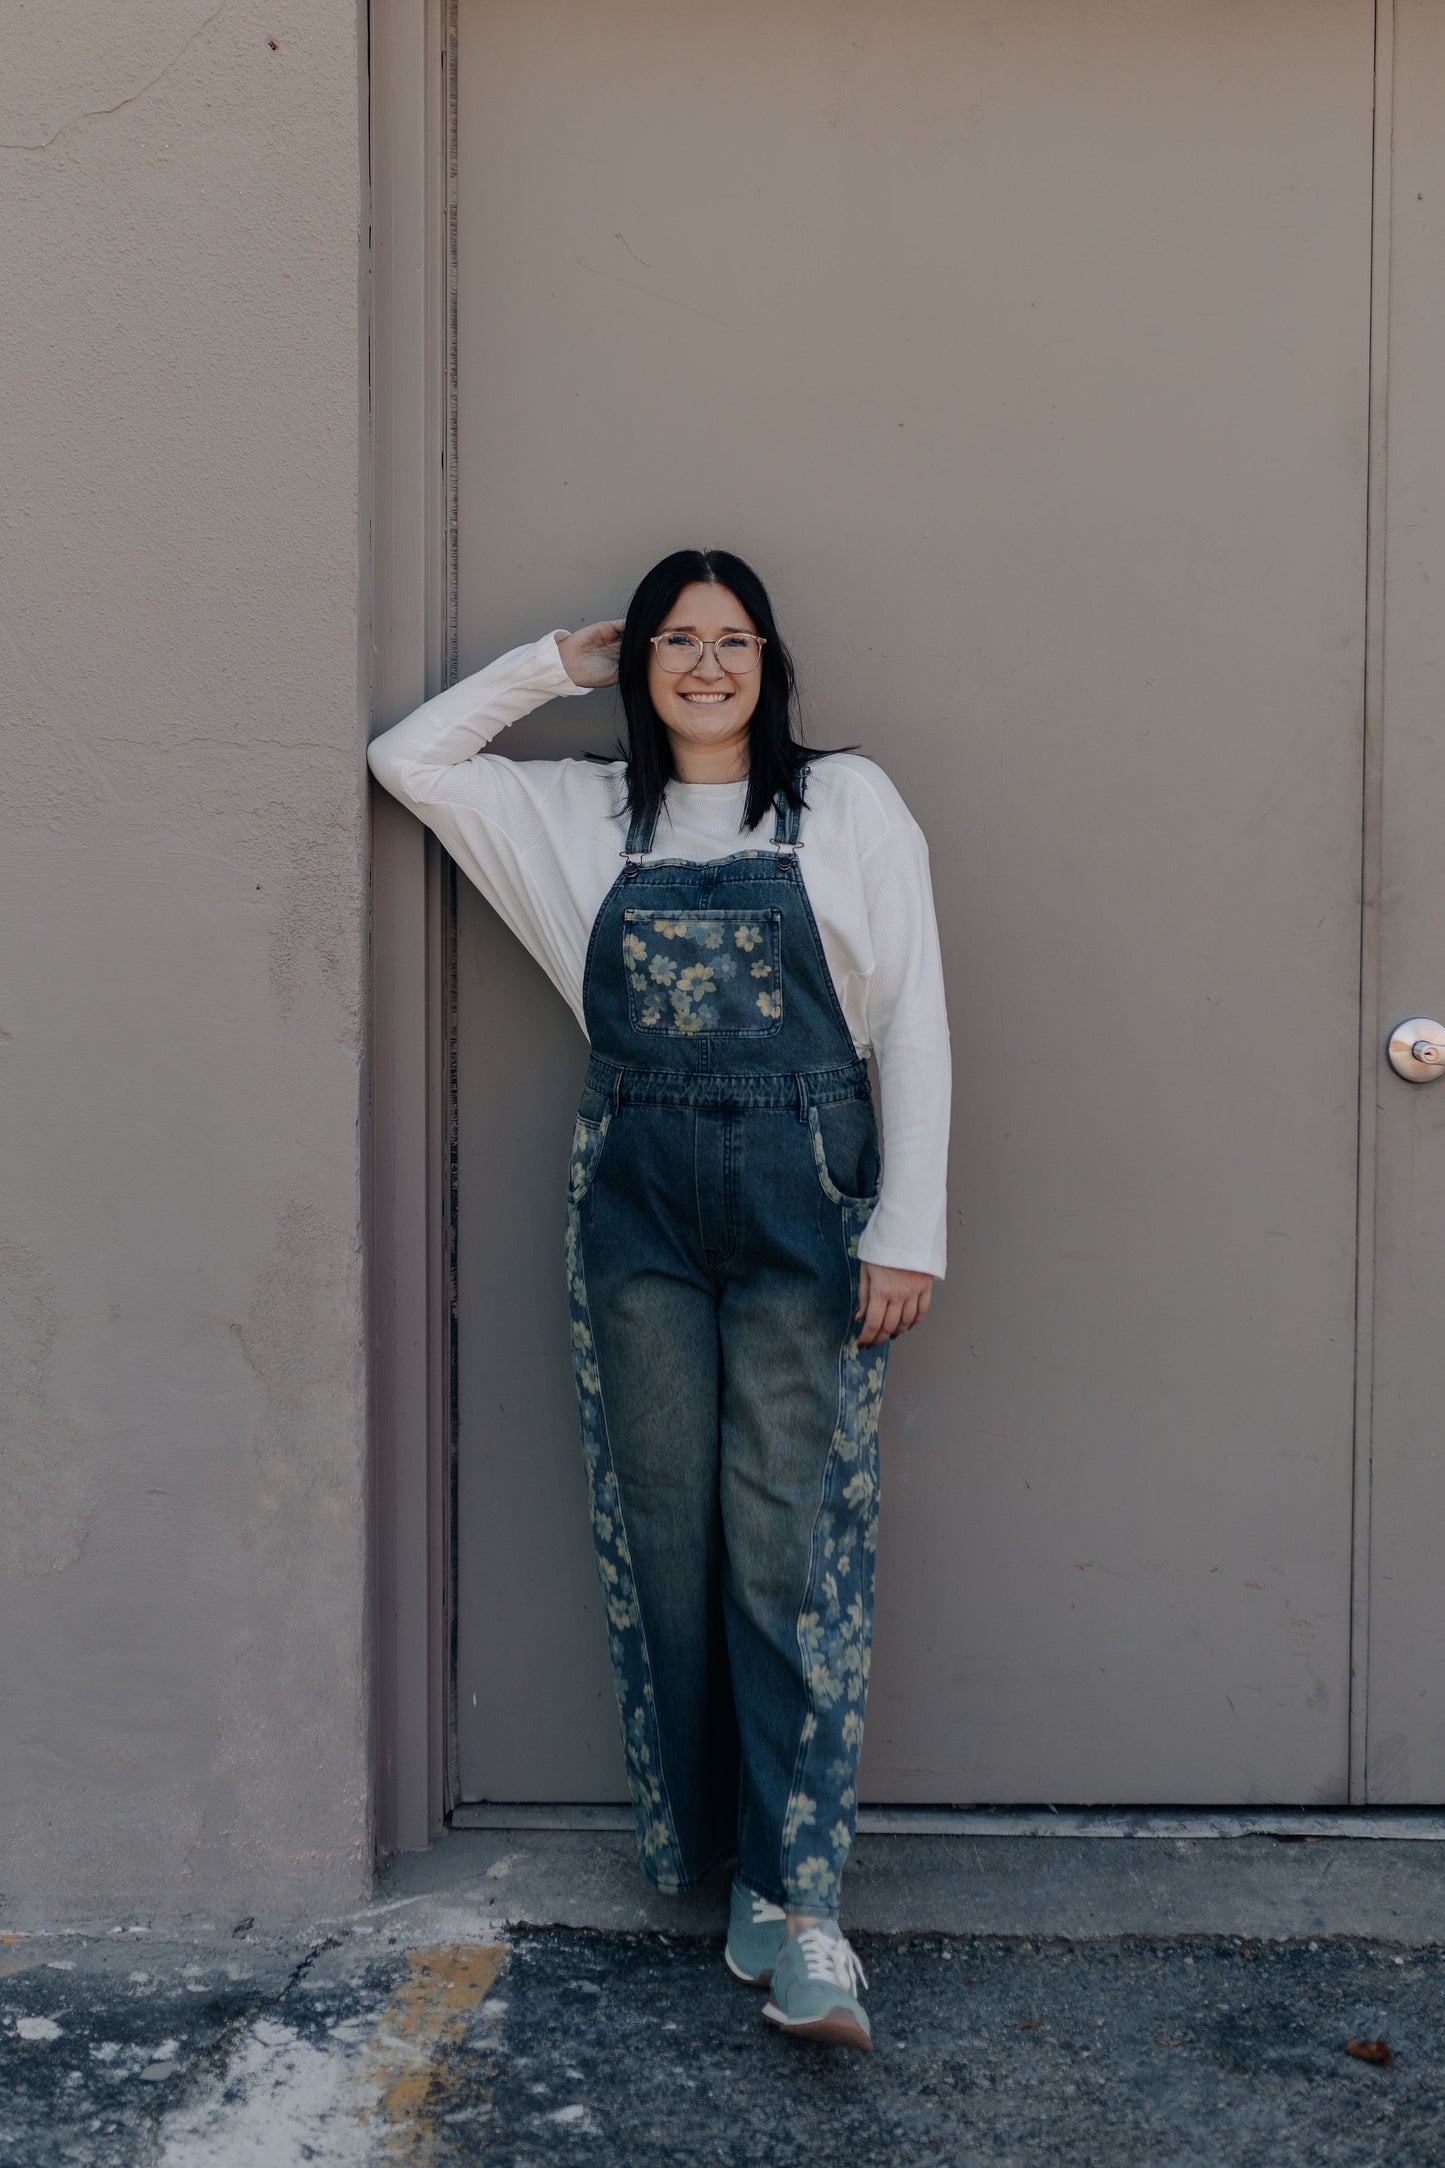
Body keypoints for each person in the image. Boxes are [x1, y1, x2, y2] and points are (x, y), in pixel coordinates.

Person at [368, 548, 950, 2051]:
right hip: (632, 1202)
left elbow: (916, 1022)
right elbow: (407, 758)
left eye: (732, 638)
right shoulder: (570, 813)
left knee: (787, 1550)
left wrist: (912, 1226)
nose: (705, 664)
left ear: (773, 662)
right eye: (675, 641)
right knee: (663, 1540)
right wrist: (550, 666)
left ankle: (801, 1899)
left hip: (809, 1202)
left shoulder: (849, 803)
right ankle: (721, 1869)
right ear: (640, 667)